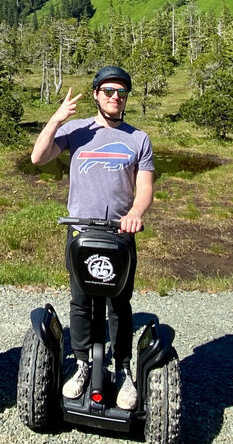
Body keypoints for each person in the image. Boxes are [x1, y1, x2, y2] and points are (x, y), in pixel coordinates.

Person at [30, 65, 154, 410]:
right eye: (109, 91)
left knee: (119, 304)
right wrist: (55, 119)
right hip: (81, 232)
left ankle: (124, 368)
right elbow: (38, 158)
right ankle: (83, 365)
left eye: (121, 92)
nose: (116, 97)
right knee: (81, 302)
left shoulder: (138, 138)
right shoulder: (76, 130)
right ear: (97, 94)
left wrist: (135, 214)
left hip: (119, 235)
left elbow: (145, 187)